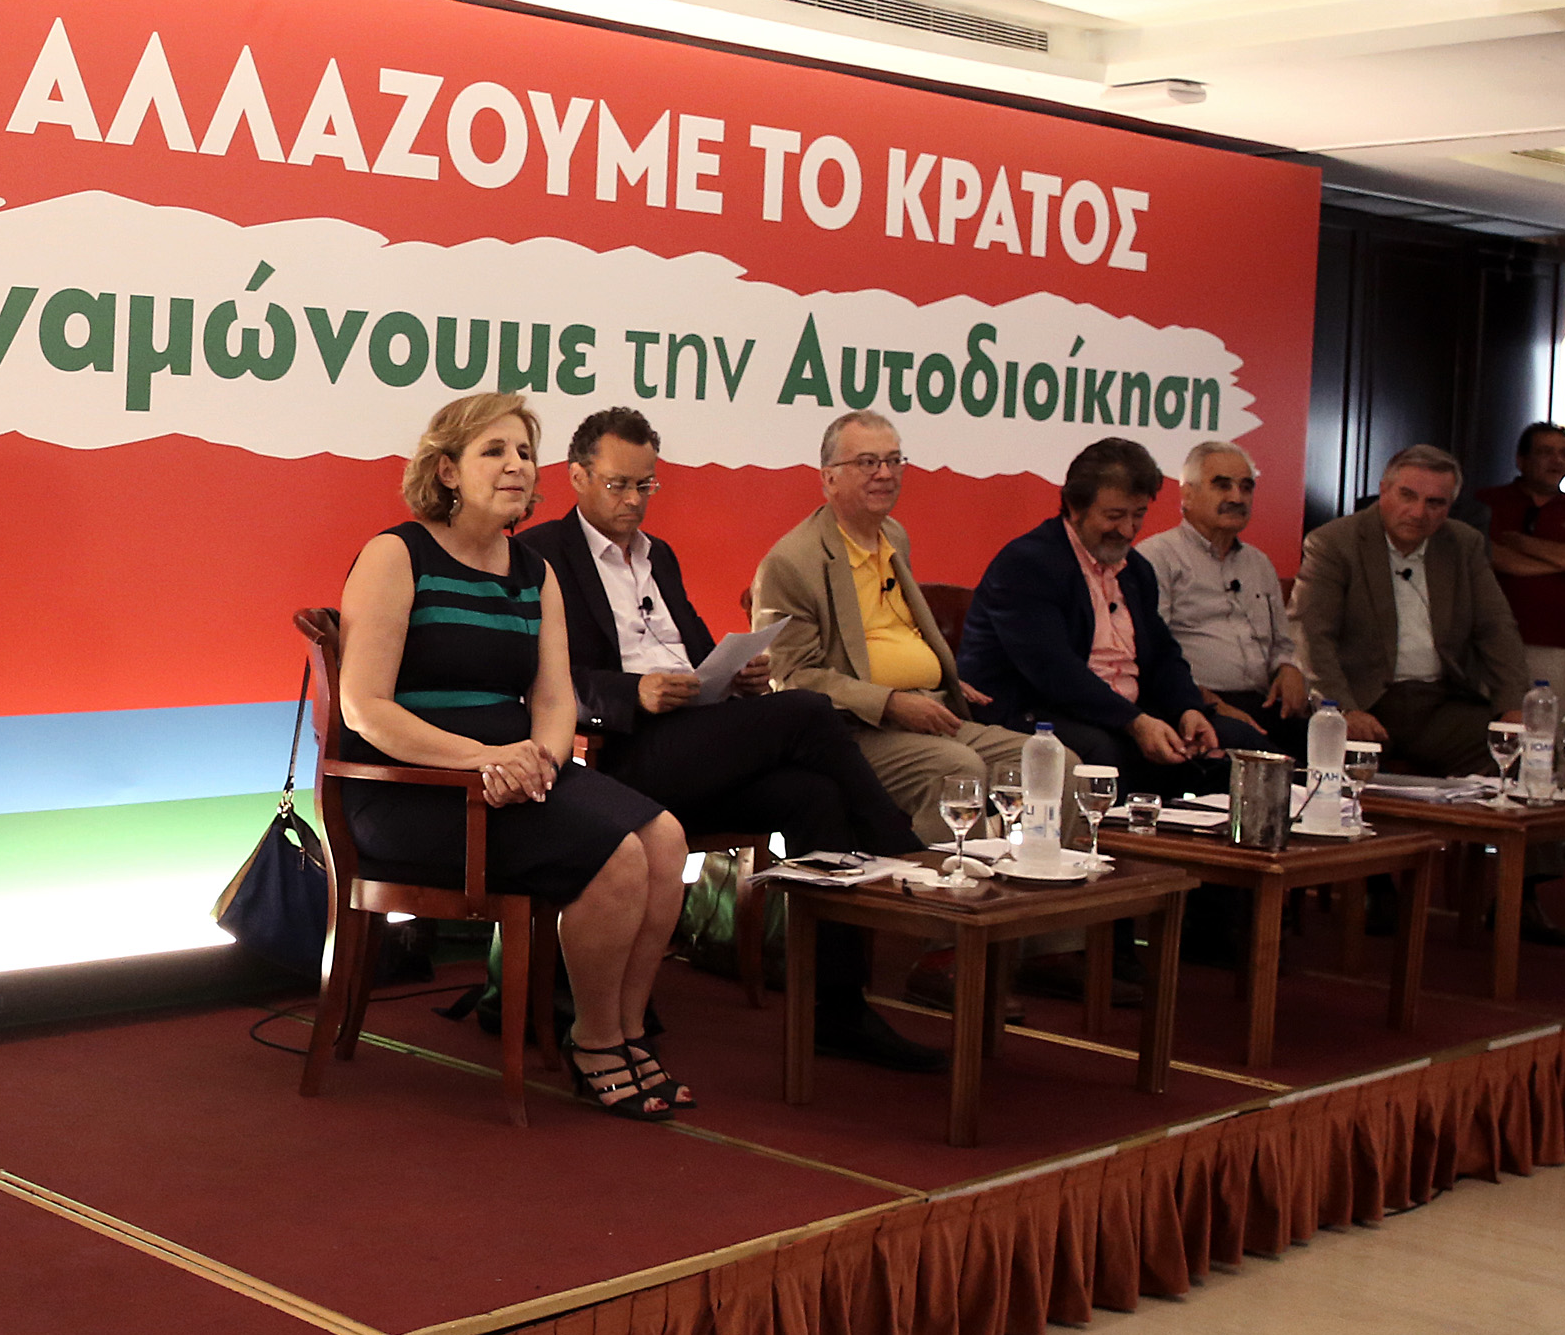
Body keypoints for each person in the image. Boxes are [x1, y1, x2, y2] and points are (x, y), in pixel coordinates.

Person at [520, 408, 942, 1072]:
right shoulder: (543, 554)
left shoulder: (659, 555)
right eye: (618, 484)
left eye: (645, 485)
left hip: (694, 738)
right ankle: (902, 853)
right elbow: (544, 679)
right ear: (577, 477)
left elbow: (690, 652)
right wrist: (634, 693)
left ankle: (837, 1008)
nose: (633, 501)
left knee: (813, 798)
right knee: (806, 712)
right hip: (622, 755)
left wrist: (734, 676)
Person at [334, 393, 693, 1120]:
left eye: (525, 453)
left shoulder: (535, 572)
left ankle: (628, 1030)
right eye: (493, 451)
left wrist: (544, 763)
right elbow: (364, 708)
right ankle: (594, 1042)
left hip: (512, 773)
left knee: (666, 838)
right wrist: (481, 760)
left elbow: (555, 699)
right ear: (447, 470)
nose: (516, 466)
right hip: (410, 788)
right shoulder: (396, 555)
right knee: (617, 859)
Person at [1294, 444, 1565, 941]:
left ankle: (1519, 897)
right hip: (1363, 704)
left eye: (1435, 502)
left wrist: (1513, 705)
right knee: (1345, 756)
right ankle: (1375, 885)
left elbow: (1496, 628)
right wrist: (1341, 709)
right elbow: (1313, 637)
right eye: (1408, 495)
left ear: (1450, 506)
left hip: (1440, 702)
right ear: (1383, 490)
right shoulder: (1335, 542)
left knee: (1530, 751)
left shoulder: (1461, 545)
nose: (1419, 512)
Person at [749, 411, 1029, 831]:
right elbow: (791, 677)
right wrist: (892, 701)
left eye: (894, 460)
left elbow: (898, 630)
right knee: (957, 769)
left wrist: (941, 675)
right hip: (854, 729)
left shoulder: (893, 535)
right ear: (829, 478)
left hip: (931, 708)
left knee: (1049, 761)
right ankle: (938, 873)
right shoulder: (792, 563)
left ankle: (1036, 870)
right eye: (867, 462)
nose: (885, 474)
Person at [955, 437, 1224, 794]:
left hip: (1121, 711)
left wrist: (1187, 710)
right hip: (1034, 710)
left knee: (1230, 741)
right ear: (1074, 506)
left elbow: (1162, 655)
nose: (1128, 530)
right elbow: (1054, 671)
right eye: (1114, 516)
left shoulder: (1137, 570)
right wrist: (1135, 722)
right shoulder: (1027, 564)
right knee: (1103, 755)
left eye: (1138, 514)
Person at [1136, 440, 1309, 756]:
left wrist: (1288, 668)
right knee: (1257, 750)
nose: (1236, 497)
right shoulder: (1156, 557)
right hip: (1194, 702)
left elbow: (1282, 644)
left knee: (1327, 743)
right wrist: (1208, 702)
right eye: (1222, 486)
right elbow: (1150, 654)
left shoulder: (1259, 563)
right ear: (1187, 494)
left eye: (1246, 487)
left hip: (1262, 701)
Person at [1482, 422, 1565, 717]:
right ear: (1521, 460)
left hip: (1556, 640)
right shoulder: (1488, 502)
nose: (1557, 461)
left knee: (1547, 729)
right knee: (1492, 727)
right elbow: (1494, 557)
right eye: (1546, 452)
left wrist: (1524, 543)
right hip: (1490, 639)